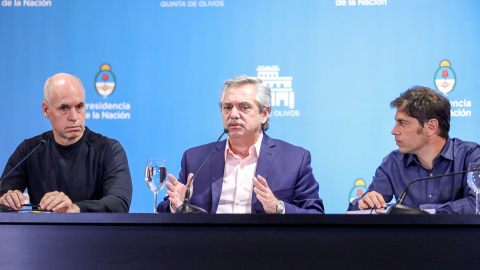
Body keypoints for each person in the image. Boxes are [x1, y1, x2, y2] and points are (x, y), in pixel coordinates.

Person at [157, 75, 324, 214]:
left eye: (244, 107)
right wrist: (176, 206)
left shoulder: (294, 160)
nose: (233, 114)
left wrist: (277, 207)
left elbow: (315, 214)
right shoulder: (195, 159)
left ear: (264, 113)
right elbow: (164, 211)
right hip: (208, 249)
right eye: (227, 107)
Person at [0, 73, 133, 213]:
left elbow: (119, 203)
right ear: (46, 110)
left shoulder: (108, 149)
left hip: (93, 234)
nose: (74, 117)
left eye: (79, 106)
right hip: (42, 234)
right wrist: (7, 200)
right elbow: (3, 195)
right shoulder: (29, 150)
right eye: (64, 108)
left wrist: (75, 209)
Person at [348, 86, 480, 214]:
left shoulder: (471, 156)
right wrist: (363, 203)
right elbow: (360, 211)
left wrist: (423, 213)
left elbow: (476, 204)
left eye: (403, 123)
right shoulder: (393, 162)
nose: (394, 131)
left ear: (431, 127)